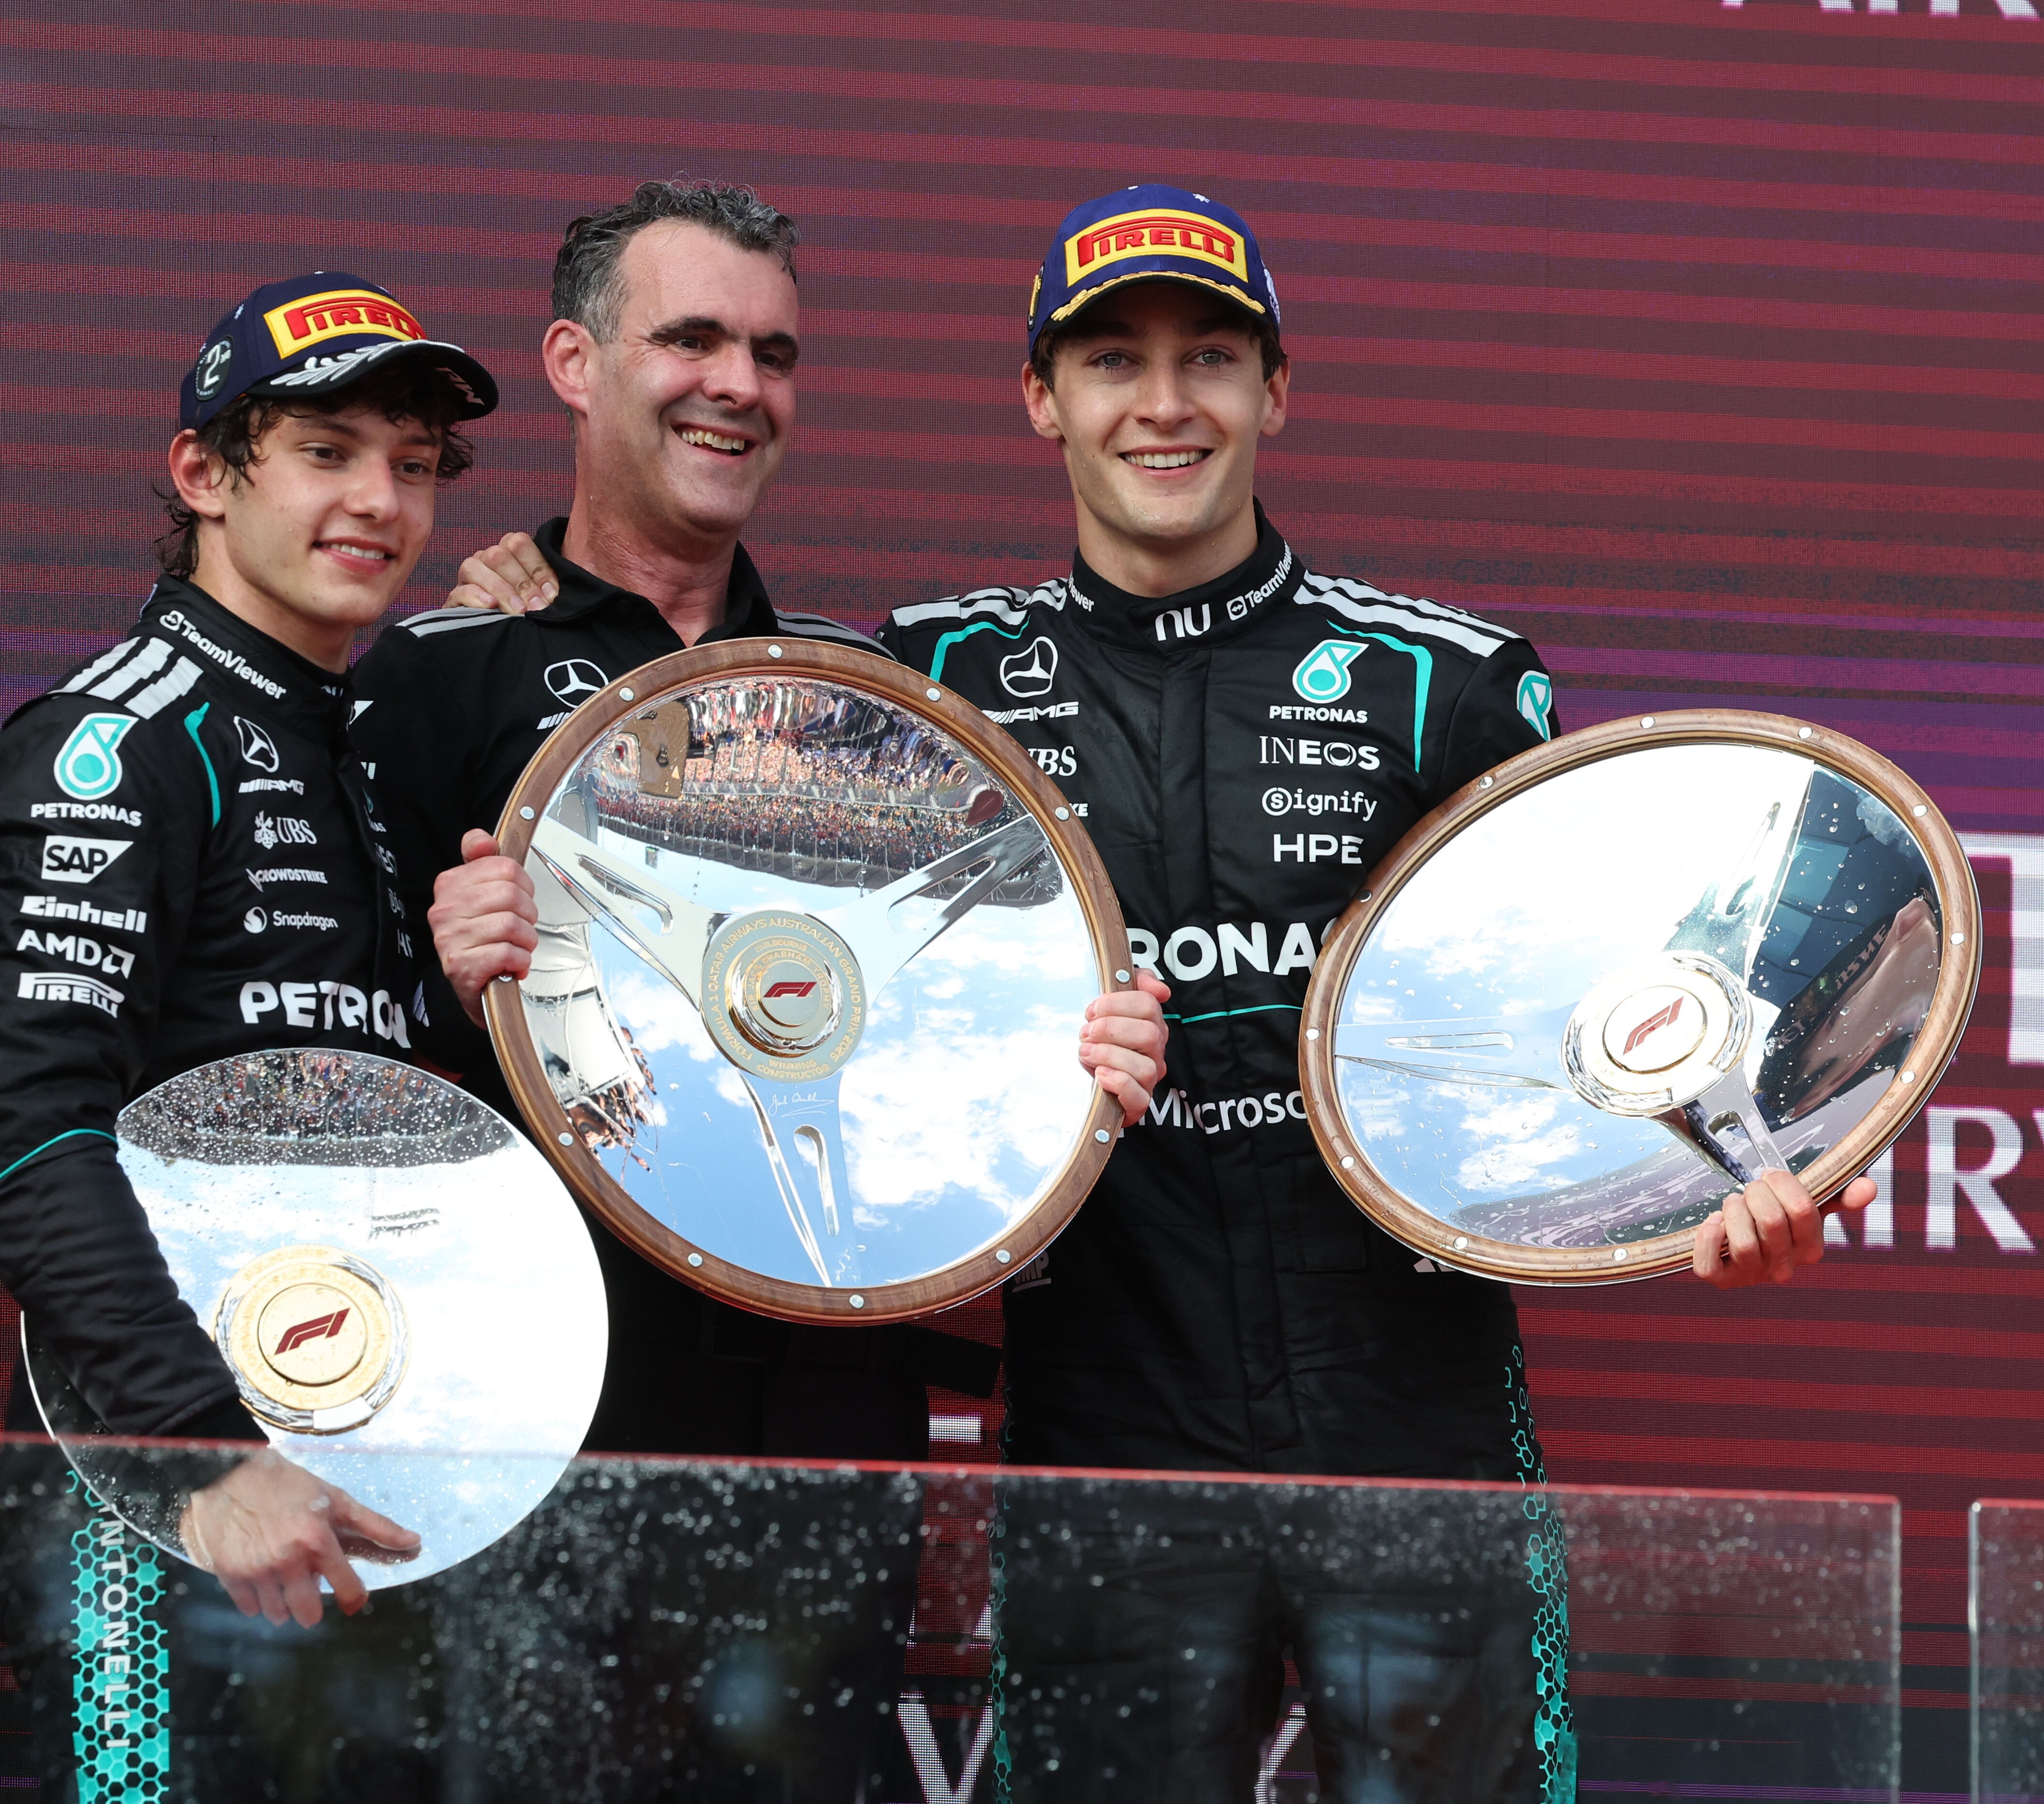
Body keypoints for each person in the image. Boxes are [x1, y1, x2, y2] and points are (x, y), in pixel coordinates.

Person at [456, 184, 1876, 1803]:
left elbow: (1632, 1012)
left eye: (1210, 357)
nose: (1164, 403)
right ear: (1041, 400)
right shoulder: (930, 680)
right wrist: (543, 601)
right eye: (1113, 361)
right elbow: (705, 858)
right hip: (1105, 1438)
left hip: (1415, 1435)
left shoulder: (1449, 681)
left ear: (1276, 392)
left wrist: (1740, 1177)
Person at [350, 178, 1169, 1803]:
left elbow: (954, 1046)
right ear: (576, 364)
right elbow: (319, 1058)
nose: (741, 383)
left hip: (820, 1432)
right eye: (694, 339)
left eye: (775, 352)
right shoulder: (432, 676)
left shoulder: (885, 708)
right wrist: (439, 984)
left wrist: (1073, 1055)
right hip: (528, 1434)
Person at [0, 271, 496, 1798]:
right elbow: (24, 1144)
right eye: (328, 451)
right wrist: (207, 1455)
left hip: (350, 1502)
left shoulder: (368, 753)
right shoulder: (115, 745)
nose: (381, 499)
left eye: (413, 462)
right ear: (205, 475)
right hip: (156, 1515)